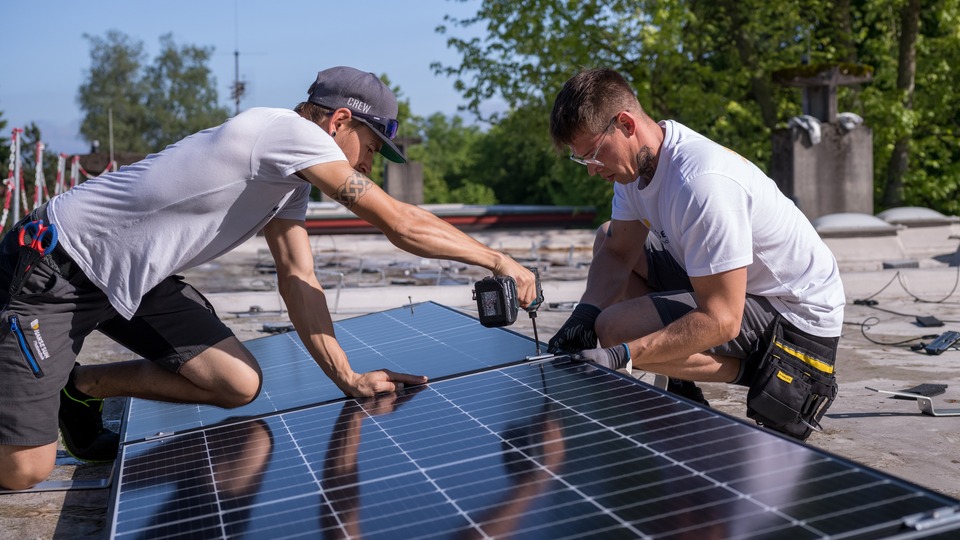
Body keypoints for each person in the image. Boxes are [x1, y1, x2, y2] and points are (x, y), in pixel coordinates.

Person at [0, 66, 537, 490]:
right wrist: (498, 260)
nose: (369, 164)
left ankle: (81, 386)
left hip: (134, 280)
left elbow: (298, 275)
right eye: (372, 148)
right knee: (25, 472)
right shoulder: (284, 133)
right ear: (340, 122)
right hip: (58, 266)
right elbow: (399, 222)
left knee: (238, 384)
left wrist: (347, 378)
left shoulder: (290, 179)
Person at [546, 68, 845, 439]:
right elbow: (619, 253)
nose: (591, 170)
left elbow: (722, 319)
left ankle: (765, 373)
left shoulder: (701, 183)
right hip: (740, 289)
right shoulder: (633, 170)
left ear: (625, 124)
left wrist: (623, 354)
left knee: (615, 328)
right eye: (582, 160)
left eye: (592, 154)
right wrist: (583, 316)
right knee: (606, 237)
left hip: (796, 314)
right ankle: (680, 384)